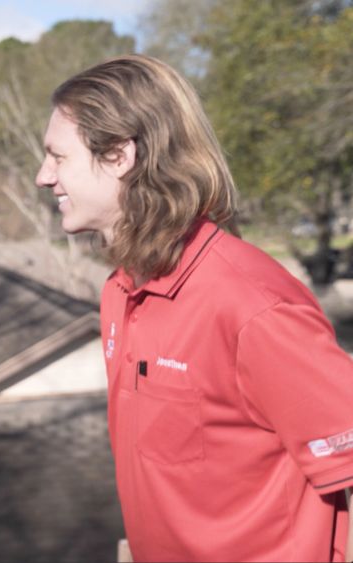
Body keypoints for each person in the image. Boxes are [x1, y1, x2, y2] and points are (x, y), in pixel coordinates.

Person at [35, 54, 353, 561]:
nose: (42, 177)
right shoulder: (118, 291)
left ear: (120, 155)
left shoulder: (252, 305)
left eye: (58, 157)